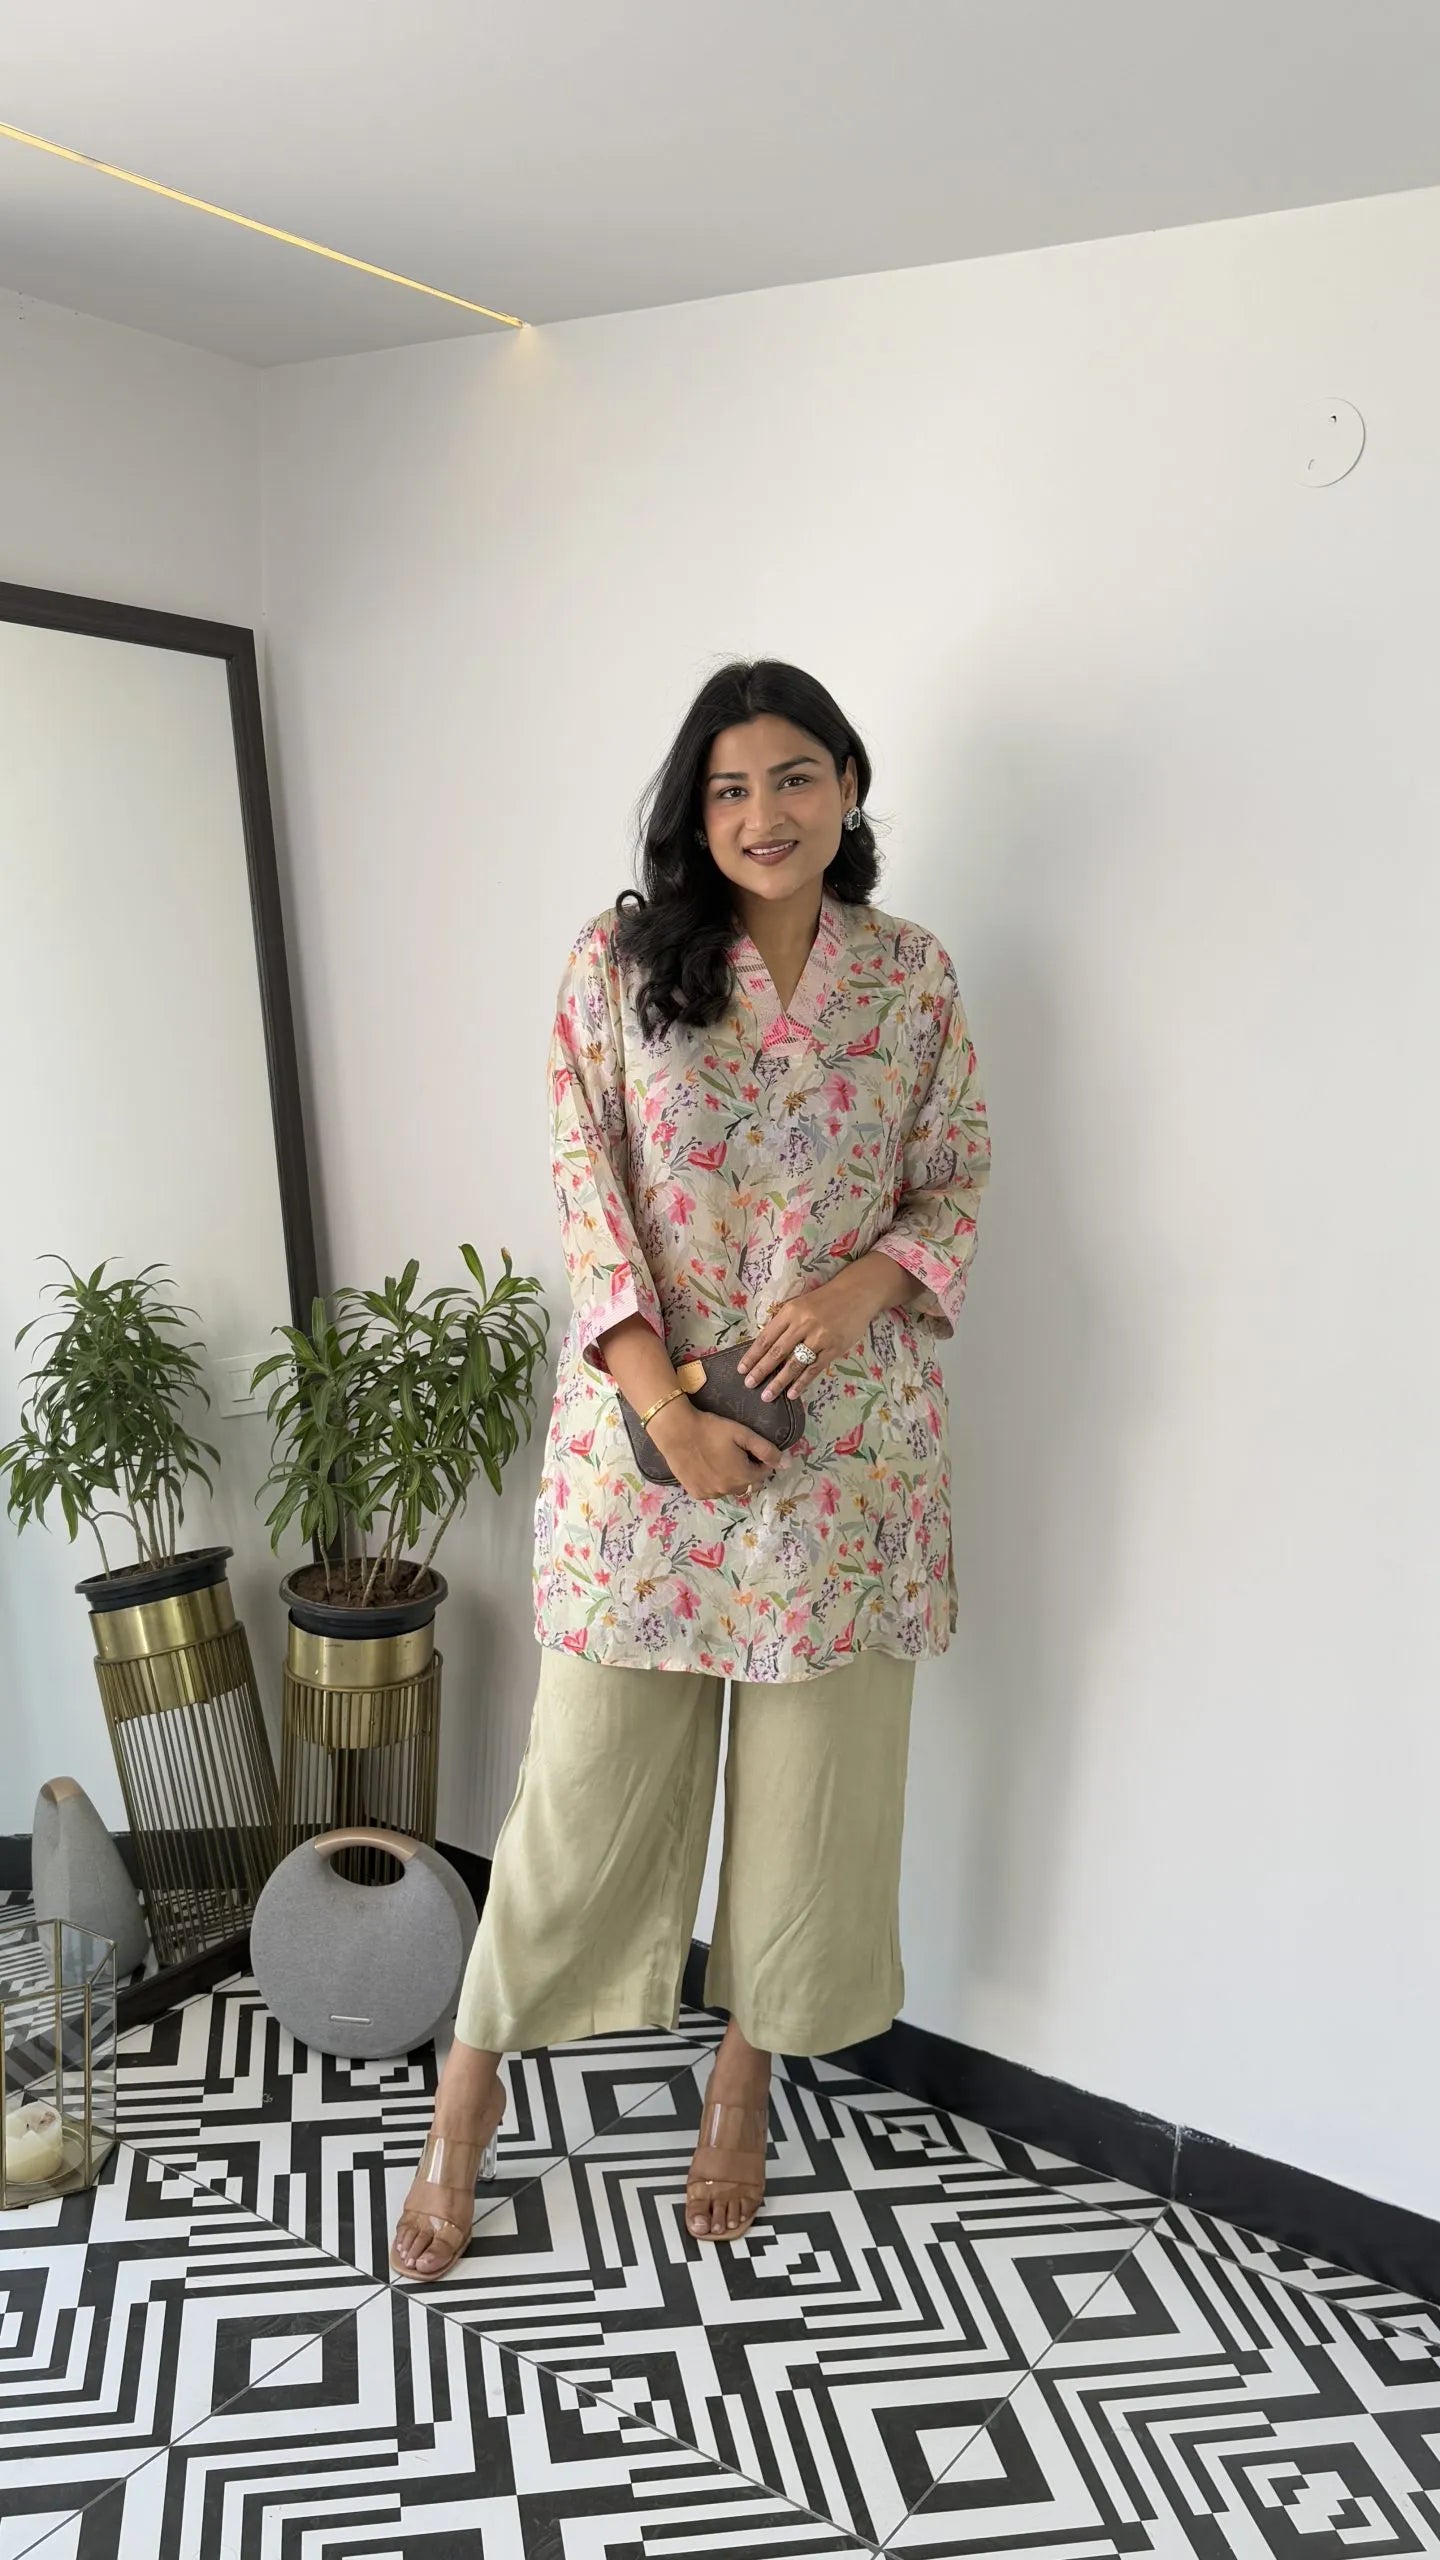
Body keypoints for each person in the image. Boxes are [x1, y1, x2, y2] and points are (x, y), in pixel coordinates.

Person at [390, 658, 990, 2276]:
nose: (763, 814)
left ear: (848, 787)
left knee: (811, 1812)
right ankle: (466, 2096)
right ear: (694, 811)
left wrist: (856, 1291)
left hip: (843, 1466)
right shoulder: (618, 963)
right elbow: (587, 1198)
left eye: (794, 777)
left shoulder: (912, 979)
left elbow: (952, 1185)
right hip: (647, 1455)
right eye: (728, 788)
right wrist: (664, 1412)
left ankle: (742, 2088)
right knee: (579, 1797)